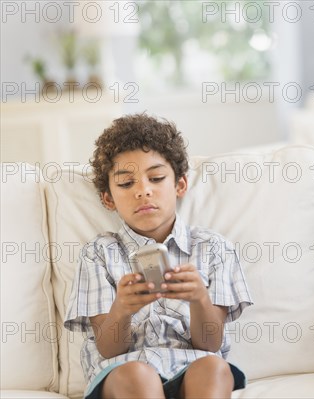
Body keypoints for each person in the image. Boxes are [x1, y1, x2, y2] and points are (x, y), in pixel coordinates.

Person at [64, 114, 253, 399]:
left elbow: (210, 343)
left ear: (179, 185)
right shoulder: (99, 253)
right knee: (137, 373)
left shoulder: (214, 248)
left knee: (215, 367)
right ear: (108, 199)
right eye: (127, 183)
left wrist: (200, 299)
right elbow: (108, 348)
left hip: (193, 366)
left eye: (156, 178)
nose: (143, 190)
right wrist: (122, 309)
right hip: (124, 371)